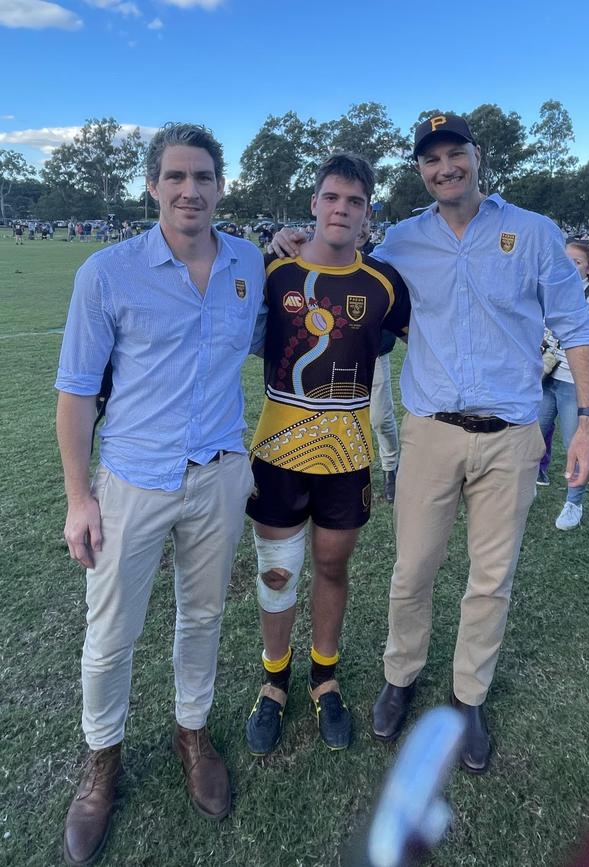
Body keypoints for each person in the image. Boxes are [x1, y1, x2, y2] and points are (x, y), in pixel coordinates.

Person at [271, 114, 589, 774]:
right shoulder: (400, 240)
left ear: (478, 158)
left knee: (490, 578)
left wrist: (588, 421)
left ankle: (467, 697)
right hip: (427, 431)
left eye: (456, 154)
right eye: (431, 159)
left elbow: (578, 326)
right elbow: (345, 268)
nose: (445, 166)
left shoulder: (533, 233)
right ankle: (401, 674)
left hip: (510, 435)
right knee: (413, 569)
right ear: (420, 170)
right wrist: (293, 242)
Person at [55, 122, 265, 867]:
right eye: (175, 177)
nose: (190, 190)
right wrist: (81, 498)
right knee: (111, 632)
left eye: (203, 177)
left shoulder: (248, 261)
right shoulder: (106, 273)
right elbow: (77, 394)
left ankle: (192, 730)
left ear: (220, 186)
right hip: (133, 481)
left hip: (219, 473)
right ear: (152, 185)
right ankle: (102, 761)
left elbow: (276, 339)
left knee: (202, 615)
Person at [244, 153, 410, 756]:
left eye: (355, 201)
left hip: (346, 454)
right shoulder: (273, 272)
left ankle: (324, 676)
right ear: (313, 203)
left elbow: (436, 338)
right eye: (332, 198)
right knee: (278, 572)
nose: (342, 209)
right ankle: (274, 681)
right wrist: (271, 244)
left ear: (368, 213)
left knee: (333, 567)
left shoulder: (385, 284)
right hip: (278, 450)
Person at [537, 240, 589, 529]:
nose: (568, 267)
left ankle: (573, 502)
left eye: (576, 262)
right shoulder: (546, 291)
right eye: (564, 260)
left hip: (573, 383)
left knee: (575, 443)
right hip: (544, 378)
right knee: (530, 438)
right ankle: (525, 485)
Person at [356, 218, 400, 500]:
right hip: (338, 357)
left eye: (364, 223)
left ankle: (391, 468)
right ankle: (354, 475)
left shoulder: (384, 261)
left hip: (375, 355)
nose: (358, 228)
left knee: (380, 419)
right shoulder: (329, 258)